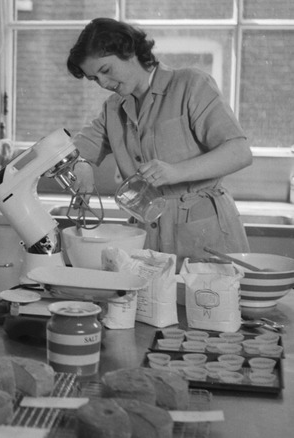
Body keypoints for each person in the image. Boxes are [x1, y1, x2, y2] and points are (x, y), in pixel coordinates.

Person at [67, 18, 252, 267]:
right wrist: (81, 165)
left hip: (205, 233)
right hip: (147, 233)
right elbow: (76, 150)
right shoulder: (114, 109)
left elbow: (239, 151)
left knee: (207, 302)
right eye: (94, 78)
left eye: (106, 70)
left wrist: (175, 171)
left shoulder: (191, 84)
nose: (103, 83)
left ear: (129, 51)